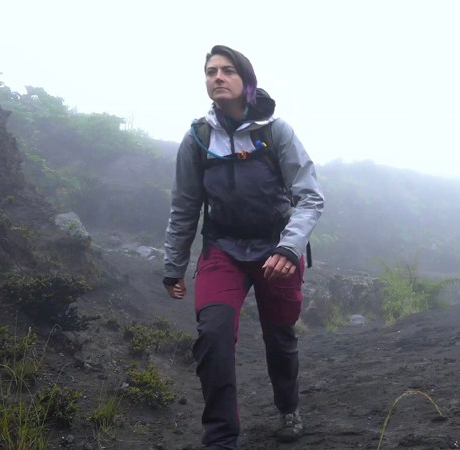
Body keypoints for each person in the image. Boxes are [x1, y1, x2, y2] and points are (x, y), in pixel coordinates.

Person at [162, 44, 325, 449]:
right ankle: (220, 438)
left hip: (275, 248)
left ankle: (288, 408)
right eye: (210, 71)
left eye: (227, 70)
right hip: (223, 249)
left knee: (280, 336)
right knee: (213, 336)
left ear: (245, 82)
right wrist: (173, 265)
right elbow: (185, 205)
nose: (216, 77)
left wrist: (288, 249)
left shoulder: (275, 131)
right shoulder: (198, 137)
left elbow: (310, 197)